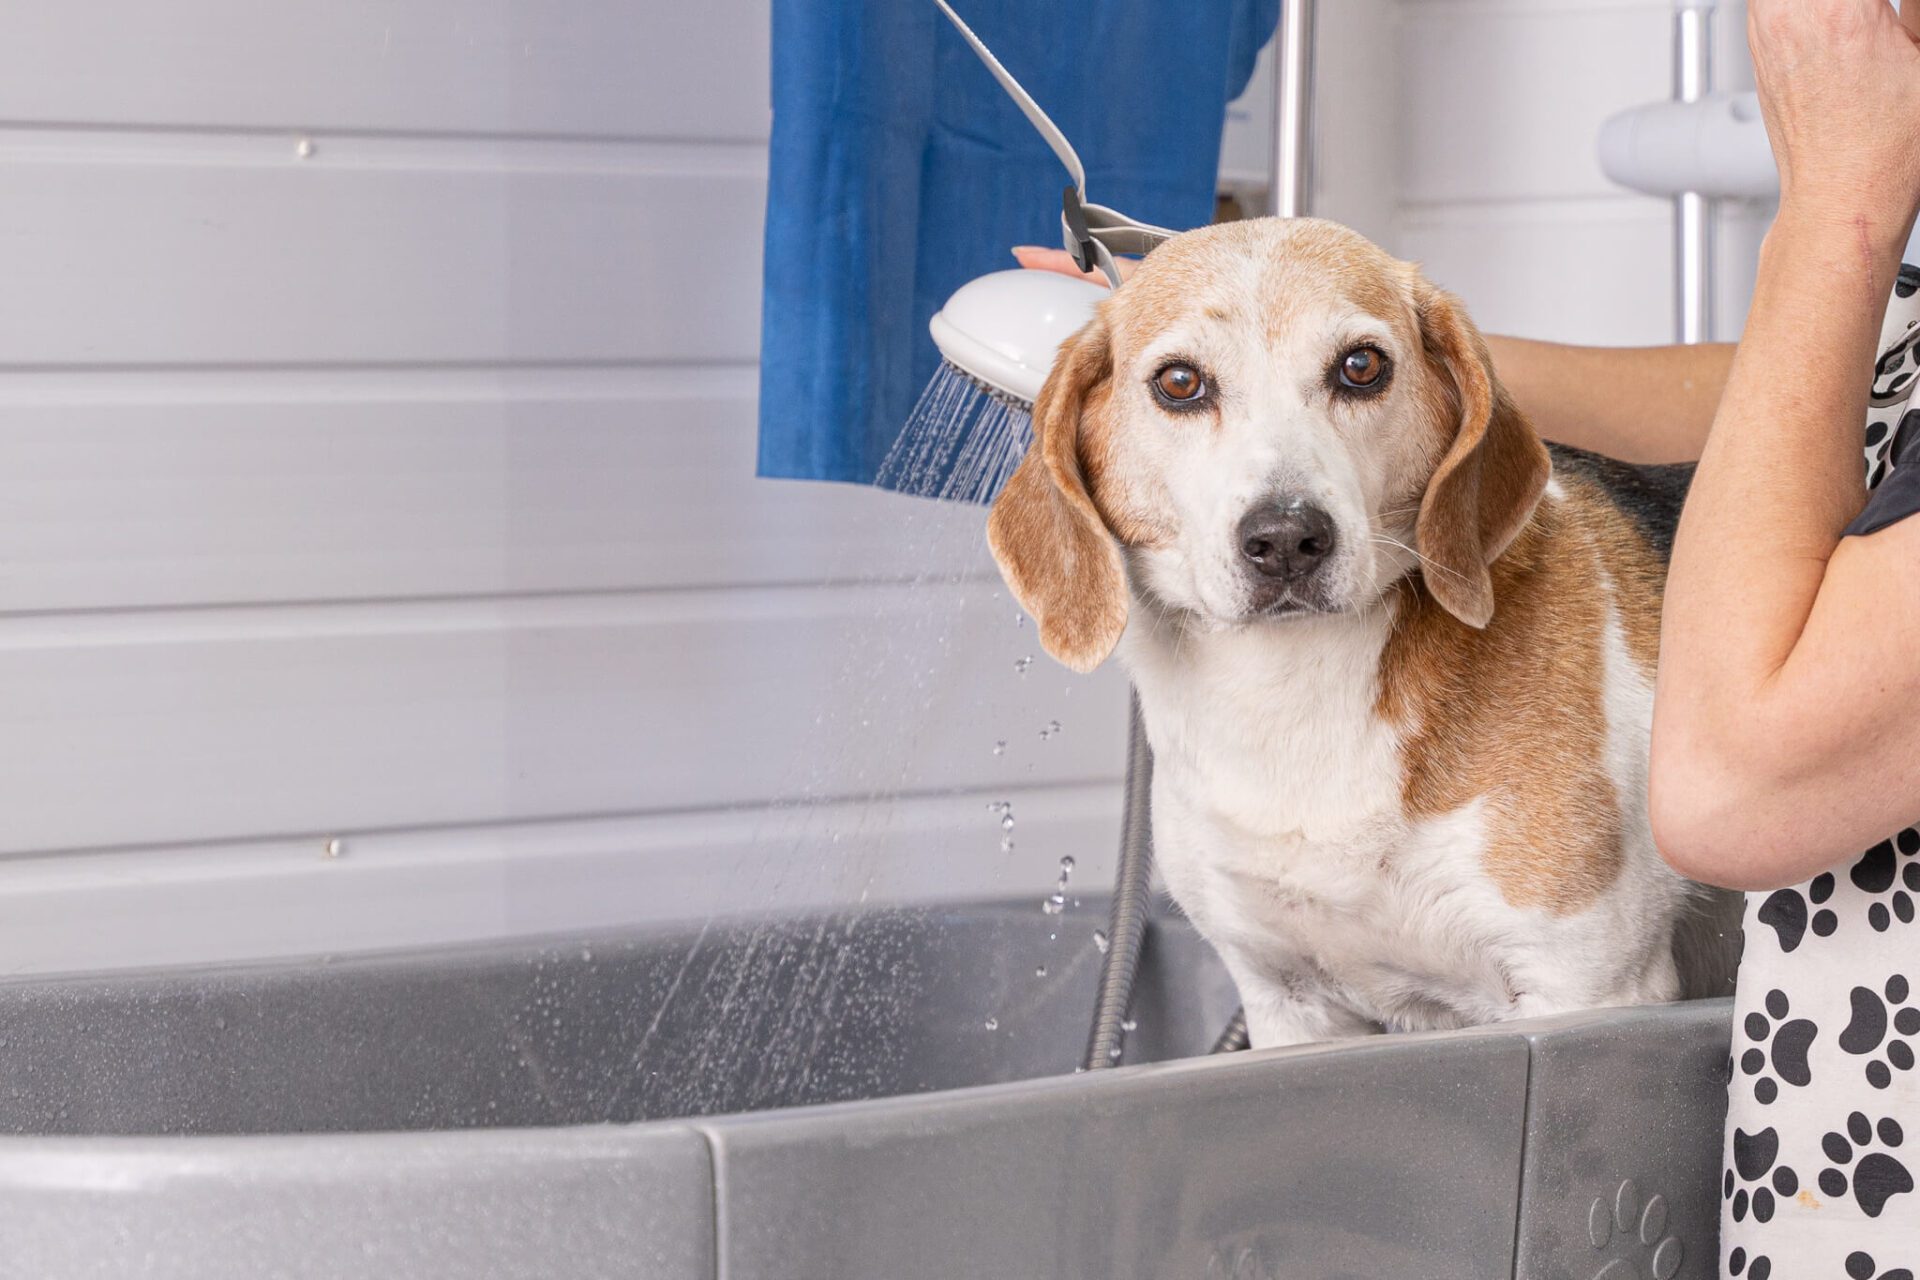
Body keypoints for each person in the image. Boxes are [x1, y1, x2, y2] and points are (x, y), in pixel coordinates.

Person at [1020, 1, 1920, 1269]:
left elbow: (1714, 817)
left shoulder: (1539, 655)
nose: (1283, 516)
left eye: (1360, 377)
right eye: (1181, 390)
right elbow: (1809, 377)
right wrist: (1283, 304)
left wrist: (1839, 203)